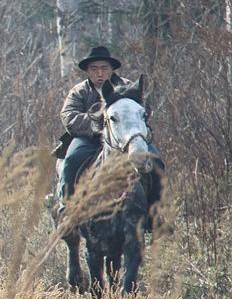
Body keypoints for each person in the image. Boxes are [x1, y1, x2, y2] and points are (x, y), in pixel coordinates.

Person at [58, 46, 163, 218]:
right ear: (87, 72)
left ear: (112, 69)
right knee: (71, 160)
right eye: (94, 69)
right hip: (89, 138)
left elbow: (143, 111)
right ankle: (67, 208)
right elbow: (68, 116)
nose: (99, 73)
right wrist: (96, 123)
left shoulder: (129, 87)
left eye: (104, 68)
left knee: (156, 161)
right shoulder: (79, 91)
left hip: (126, 139)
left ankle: (156, 212)